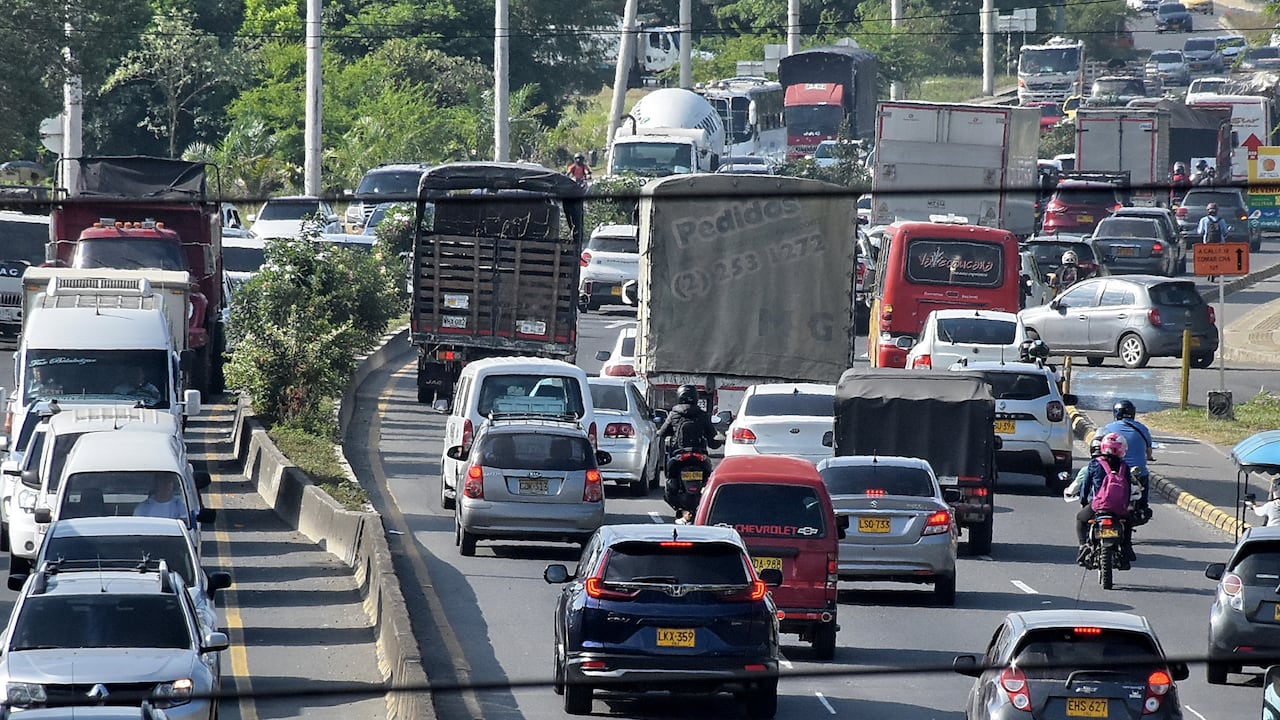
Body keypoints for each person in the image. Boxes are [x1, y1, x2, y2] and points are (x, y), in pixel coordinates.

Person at [1069, 432, 1136, 568]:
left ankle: (1083, 545)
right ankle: (1126, 547)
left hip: (1098, 506)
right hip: (1119, 508)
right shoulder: (1124, 467)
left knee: (1080, 518)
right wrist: (1125, 504)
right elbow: (1128, 489)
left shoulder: (1095, 464)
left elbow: (1086, 486)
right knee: (1128, 522)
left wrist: (1083, 502)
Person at [657, 385, 723, 523]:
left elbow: (662, 432)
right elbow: (713, 439)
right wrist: (719, 441)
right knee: (708, 478)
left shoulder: (674, 414)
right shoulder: (702, 415)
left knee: (671, 476)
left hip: (678, 455)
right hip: (700, 456)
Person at [1100, 399, 1154, 512]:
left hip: (1115, 471)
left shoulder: (1108, 428)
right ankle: (1143, 507)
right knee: (1144, 484)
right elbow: (1149, 452)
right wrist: (1148, 457)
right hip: (1138, 472)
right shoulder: (1142, 429)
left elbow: (1102, 448)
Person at [1198, 202, 1229, 281]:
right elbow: (1225, 232)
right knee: (1219, 258)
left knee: (1207, 258)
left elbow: (1200, 232)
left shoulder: (1203, 220)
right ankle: (1217, 270)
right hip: (1219, 243)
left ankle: (1208, 270)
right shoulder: (1221, 220)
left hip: (1207, 243)